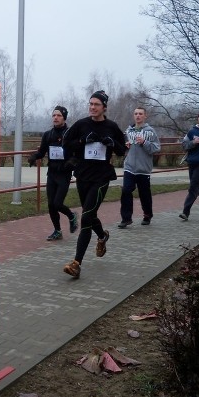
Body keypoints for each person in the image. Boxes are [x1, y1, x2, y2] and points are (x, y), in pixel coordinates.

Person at [61, 90, 127, 279]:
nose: (92, 107)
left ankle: (76, 263)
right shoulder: (81, 124)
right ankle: (102, 236)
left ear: (104, 107)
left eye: (96, 104)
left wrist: (112, 143)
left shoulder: (112, 126)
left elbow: (122, 150)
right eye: (90, 104)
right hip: (83, 175)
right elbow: (67, 143)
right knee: (90, 215)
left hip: (101, 177)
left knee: (86, 217)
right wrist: (82, 141)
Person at [27, 105, 78, 241]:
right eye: (54, 115)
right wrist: (34, 157)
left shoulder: (70, 133)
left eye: (59, 115)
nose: (55, 118)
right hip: (52, 173)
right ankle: (57, 231)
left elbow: (77, 153)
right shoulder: (48, 134)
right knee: (51, 205)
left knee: (58, 203)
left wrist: (72, 161)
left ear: (64, 118)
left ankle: (71, 215)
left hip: (64, 173)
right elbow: (42, 152)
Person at [118, 107, 161, 228]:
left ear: (145, 116)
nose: (138, 116)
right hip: (129, 167)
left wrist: (144, 142)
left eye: (140, 114)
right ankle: (126, 219)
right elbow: (123, 148)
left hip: (143, 169)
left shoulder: (150, 131)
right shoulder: (129, 131)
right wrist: (125, 146)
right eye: (136, 113)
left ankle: (147, 215)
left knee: (144, 194)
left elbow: (157, 148)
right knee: (126, 191)